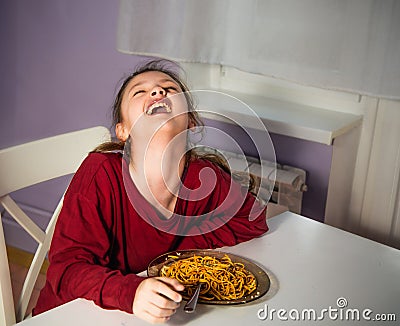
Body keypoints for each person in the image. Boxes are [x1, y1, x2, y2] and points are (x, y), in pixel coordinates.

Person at [33, 59, 268, 324]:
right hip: (69, 315)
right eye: (140, 92)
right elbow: (67, 271)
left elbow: (252, 222)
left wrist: (180, 250)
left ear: (191, 122)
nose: (157, 92)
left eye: (168, 88)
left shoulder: (204, 178)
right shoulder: (101, 174)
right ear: (123, 130)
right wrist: (131, 292)